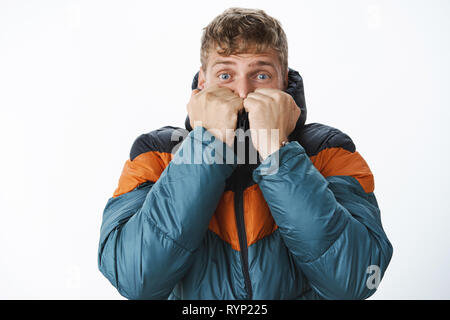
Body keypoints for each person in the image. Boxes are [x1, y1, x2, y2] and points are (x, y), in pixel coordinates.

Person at [97, 7, 393, 300]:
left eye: (261, 75)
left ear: (284, 81)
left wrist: (277, 152)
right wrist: (206, 148)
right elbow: (136, 279)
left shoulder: (328, 150)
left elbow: (356, 280)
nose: (242, 91)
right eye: (225, 74)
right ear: (203, 81)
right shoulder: (156, 153)